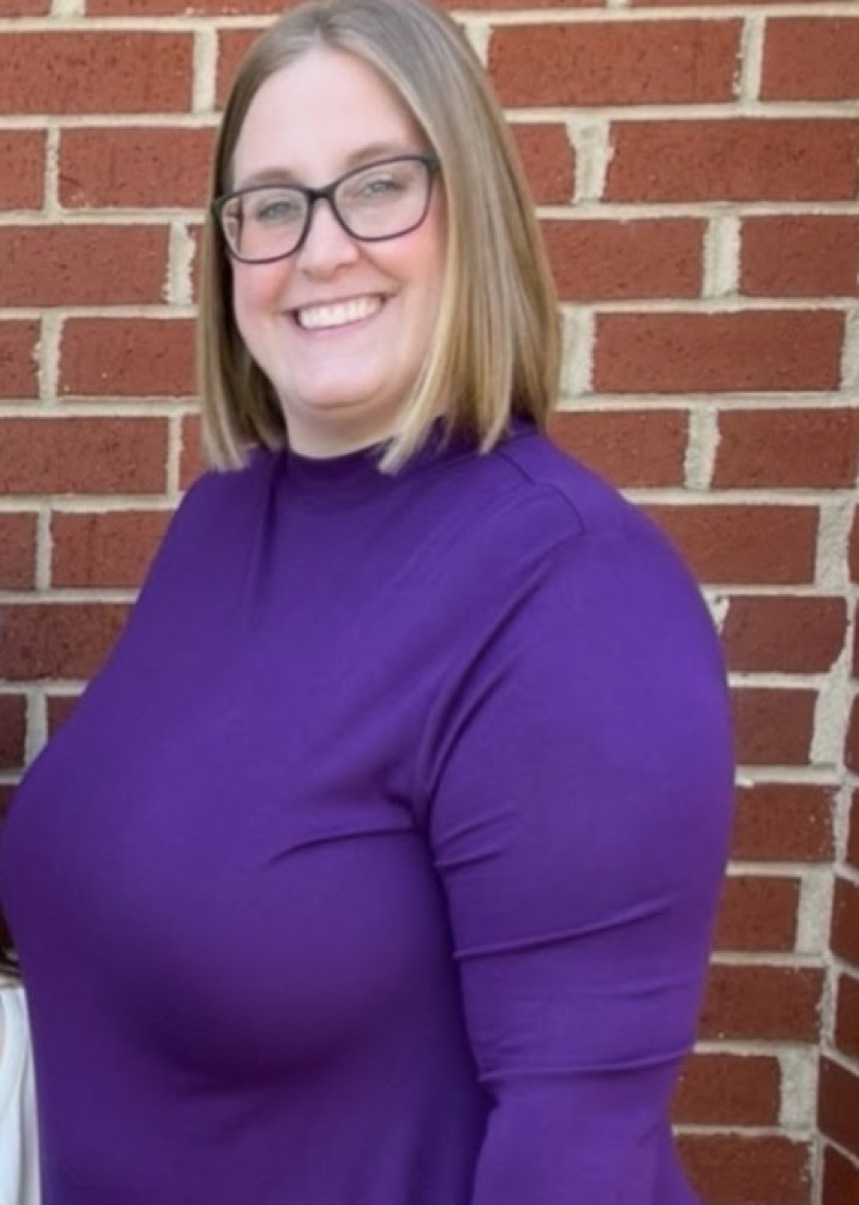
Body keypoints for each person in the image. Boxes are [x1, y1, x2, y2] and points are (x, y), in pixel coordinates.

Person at [0, 0, 734, 1201]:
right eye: (271, 205)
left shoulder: (575, 594)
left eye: (379, 185)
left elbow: (574, 1153)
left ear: (472, 211)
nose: (320, 249)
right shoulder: (220, 521)